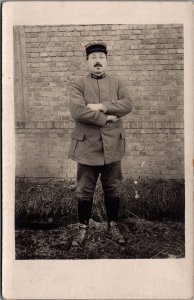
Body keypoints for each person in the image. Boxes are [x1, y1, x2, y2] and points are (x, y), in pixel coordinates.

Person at [68, 41, 132, 247]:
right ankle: (82, 228)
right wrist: (107, 117)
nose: (97, 61)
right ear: (87, 61)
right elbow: (78, 112)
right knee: (84, 190)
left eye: (101, 57)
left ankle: (113, 225)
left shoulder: (118, 82)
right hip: (87, 148)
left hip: (113, 146)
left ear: (106, 61)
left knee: (113, 188)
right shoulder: (78, 84)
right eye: (93, 58)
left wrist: (100, 106)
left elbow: (128, 104)